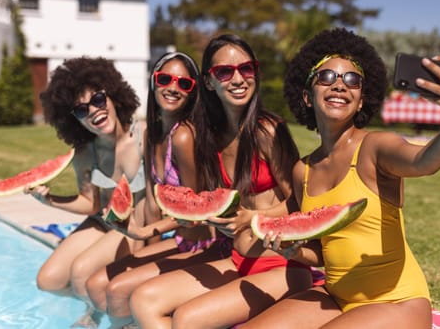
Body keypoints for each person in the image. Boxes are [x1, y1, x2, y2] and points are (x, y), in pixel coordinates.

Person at [239, 28, 440, 329]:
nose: (339, 85)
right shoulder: (303, 170)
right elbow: (324, 252)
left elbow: (424, 161)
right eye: (326, 77)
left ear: (361, 100)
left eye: (352, 80)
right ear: (307, 96)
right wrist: (293, 250)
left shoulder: (376, 147)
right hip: (336, 296)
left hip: (397, 301)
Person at [129, 33, 315, 328]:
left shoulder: (267, 130)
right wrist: (172, 223)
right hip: (237, 259)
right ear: (209, 82)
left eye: (247, 68)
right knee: (143, 300)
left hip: (282, 263)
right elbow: (204, 205)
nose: (238, 78)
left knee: (187, 320)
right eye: (225, 72)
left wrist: (253, 217)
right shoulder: (209, 138)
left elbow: (301, 203)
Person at [85, 51, 230, 328]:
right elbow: (153, 199)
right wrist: (140, 240)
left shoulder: (184, 136)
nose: (173, 88)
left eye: (184, 84)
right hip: (177, 240)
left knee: (116, 290)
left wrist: (143, 233)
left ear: (192, 92)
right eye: (165, 79)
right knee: (96, 283)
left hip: (204, 244)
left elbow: (196, 211)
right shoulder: (153, 132)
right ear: (154, 81)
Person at [25, 57, 147, 327]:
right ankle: (99, 305)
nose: (93, 110)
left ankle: (117, 319)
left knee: (81, 272)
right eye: (80, 110)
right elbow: (90, 204)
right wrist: (50, 199)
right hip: (103, 221)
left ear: (114, 97)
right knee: (48, 280)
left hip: (135, 224)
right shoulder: (85, 152)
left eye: (98, 99)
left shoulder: (144, 137)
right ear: (74, 120)